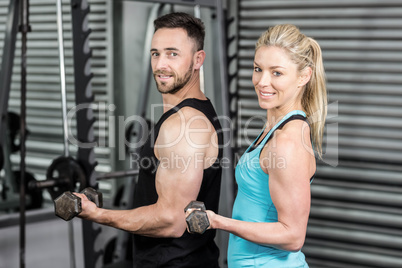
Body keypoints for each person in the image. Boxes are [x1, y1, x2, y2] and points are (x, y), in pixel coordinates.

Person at [74, 12, 223, 267]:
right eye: (156, 53)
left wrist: (98, 214)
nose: (161, 64)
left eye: (172, 54)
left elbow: (171, 221)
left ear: (198, 59)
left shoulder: (184, 124)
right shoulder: (193, 110)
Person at [189, 24, 327, 267]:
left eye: (277, 73)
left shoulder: (287, 141)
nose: (262, 81)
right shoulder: (275, 129)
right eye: (258, 69)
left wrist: (218, 222)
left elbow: (293, 236)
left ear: (304, 76)